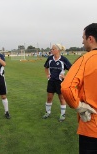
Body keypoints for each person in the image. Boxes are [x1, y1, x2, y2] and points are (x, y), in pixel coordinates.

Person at [61, 23, 97, 153]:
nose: (82, 41)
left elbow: (66, 87)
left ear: (90, 39)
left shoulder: (85, 59)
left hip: (92, 125)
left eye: (83, 38)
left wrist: (79, 106)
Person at [42, 44, 72, 122]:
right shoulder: (50, 59)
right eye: (51, 49)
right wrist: (47, 74)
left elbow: (72, 70)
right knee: (49, 98)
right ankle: (47, 112)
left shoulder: (63, 59)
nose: (51, 50)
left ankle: (62, 115)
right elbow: (46, 67)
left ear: (58, 50)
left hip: (60, 82)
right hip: (51, 81)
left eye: (53, 49)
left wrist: (65, 77)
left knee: (61, 98)